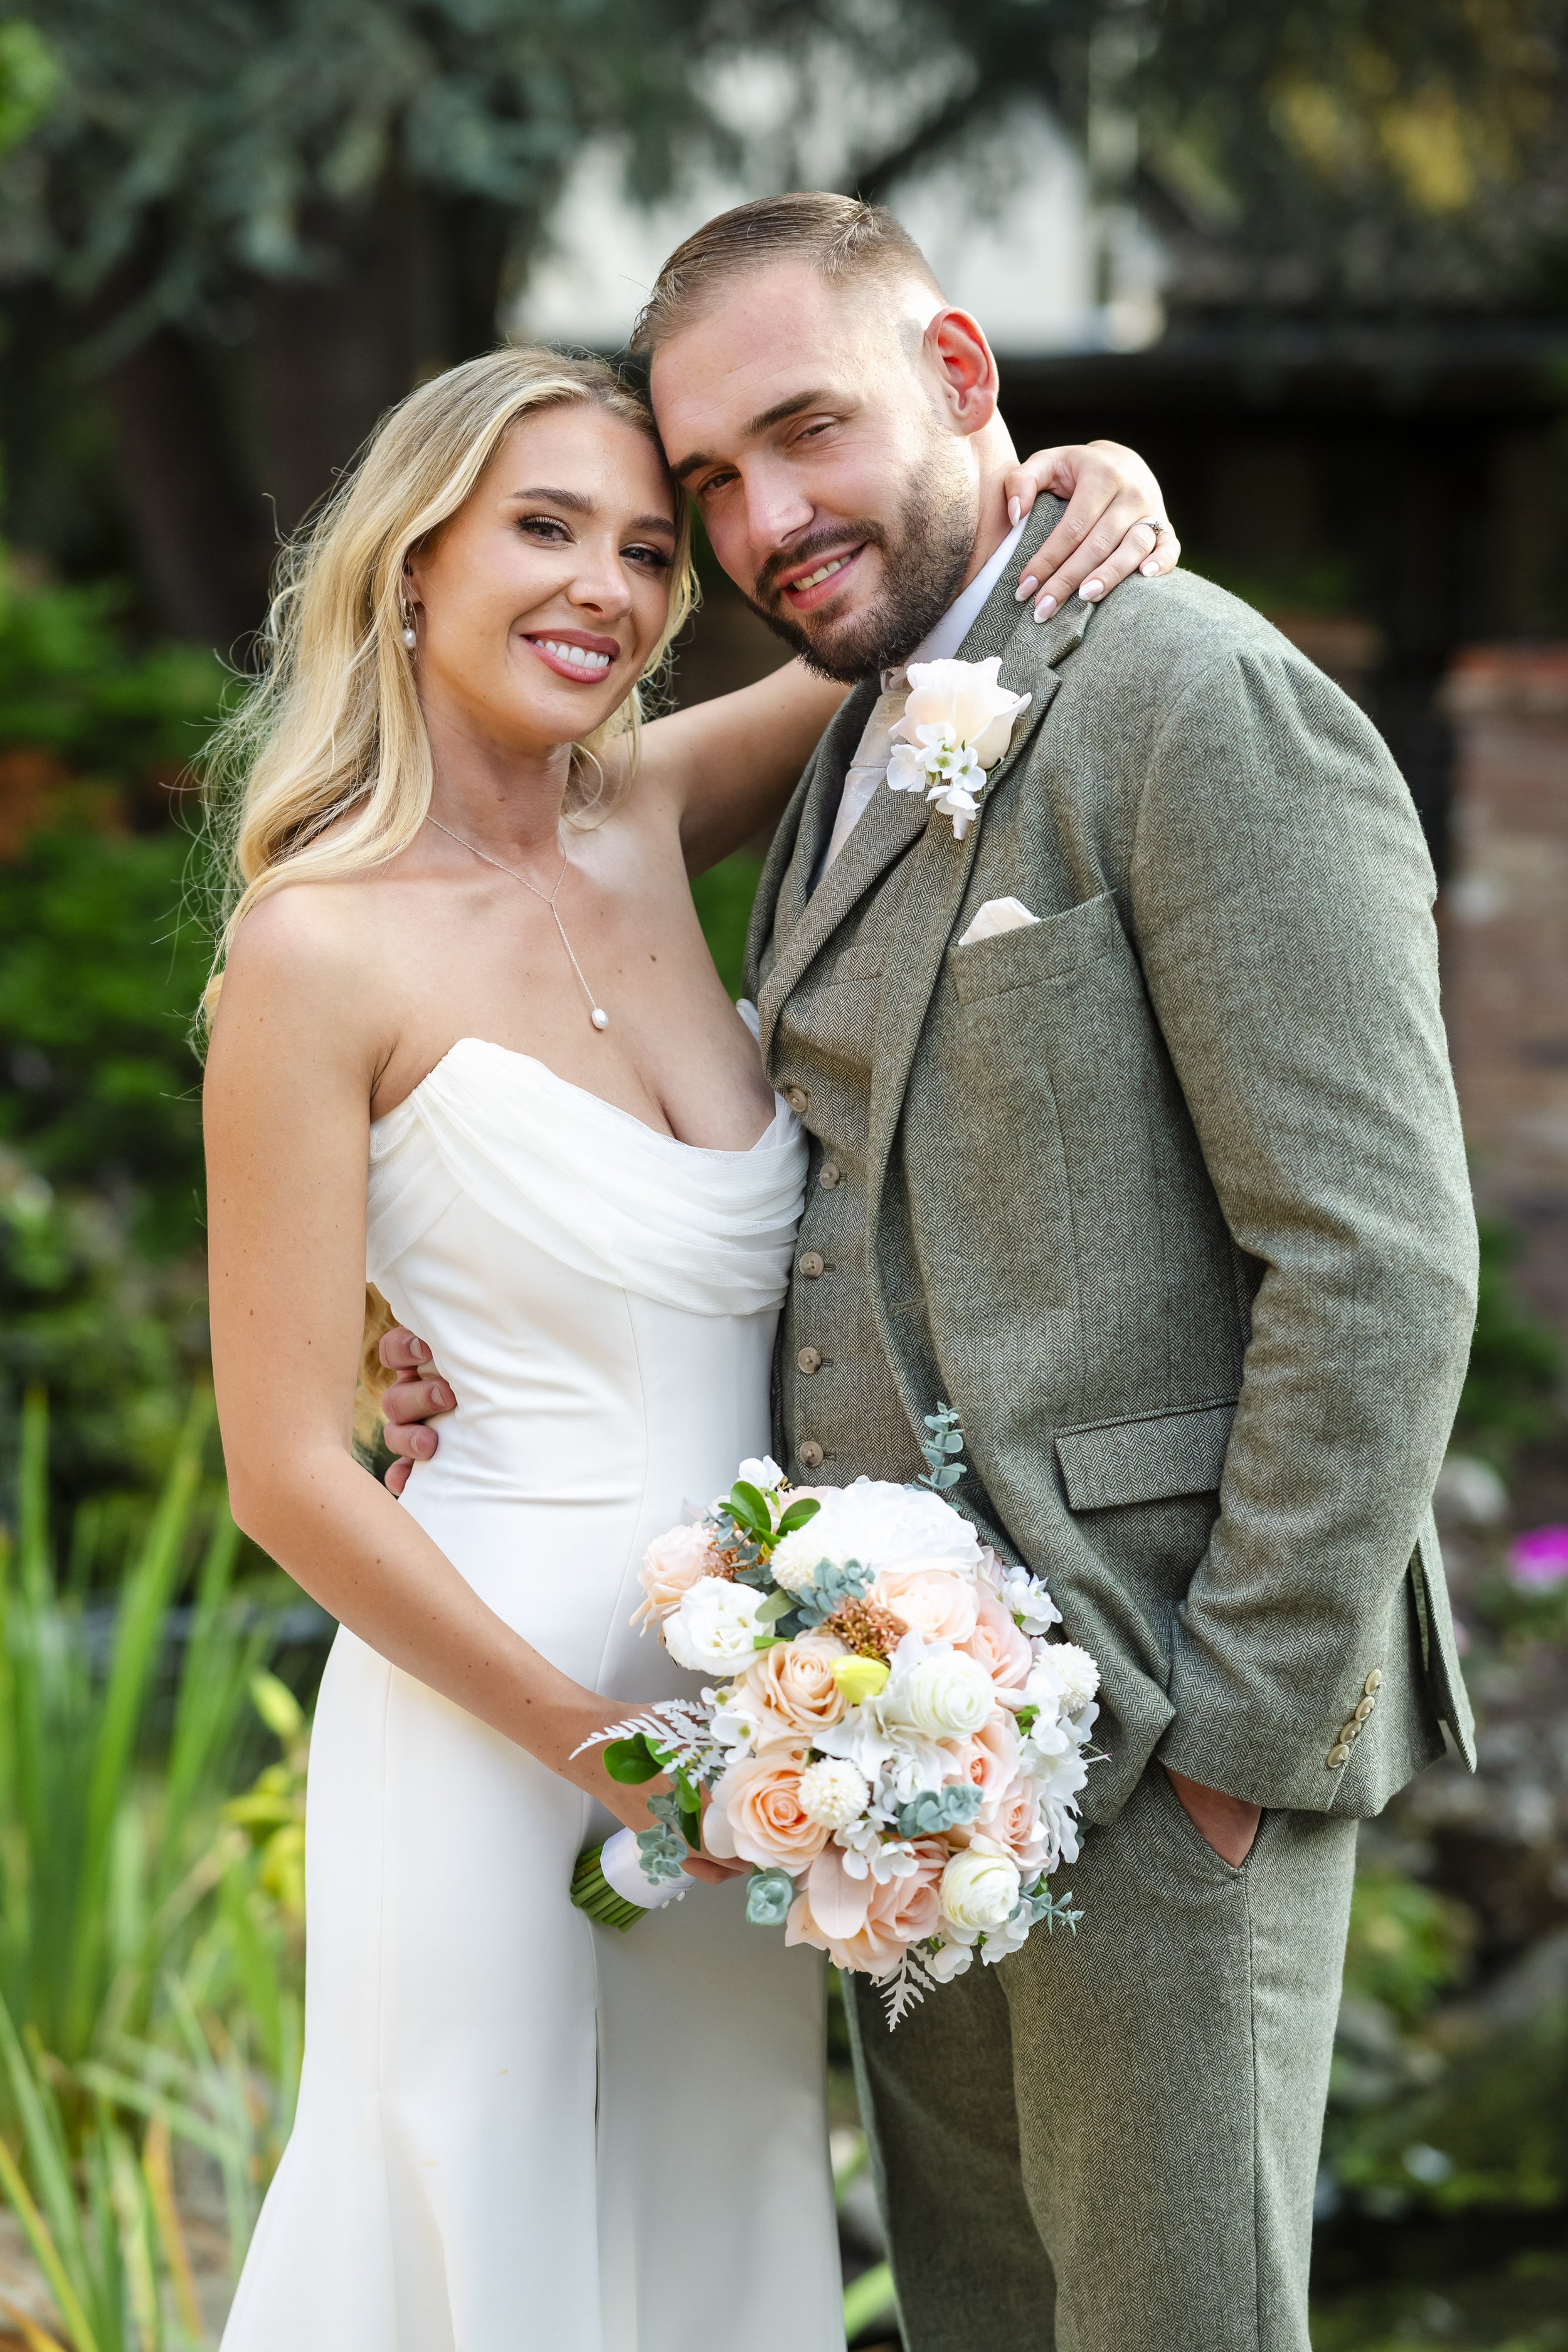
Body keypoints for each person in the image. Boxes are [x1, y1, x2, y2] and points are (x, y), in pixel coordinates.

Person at [386, 197, 1479, 2352]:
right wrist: (418, 1303)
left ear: (965, 373)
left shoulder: (1196, 698)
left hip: (1166, 1735)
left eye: (809, 429)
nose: (764, 516)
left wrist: (1226, 1745)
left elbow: (1374, 1259)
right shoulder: (851, 724)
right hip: (891, 1752)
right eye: (710, 481)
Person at [202, 335, 1175, 2351]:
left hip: (761, 1732)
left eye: (647, 549)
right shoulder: (314, 948)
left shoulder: (649, 809)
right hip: (495, 1723)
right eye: (542, 530)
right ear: (408, 562)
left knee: (712, 2213)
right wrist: (601, 1753)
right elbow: (287, 1470)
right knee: (483, 2214)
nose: (608, 589)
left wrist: (1068, 472)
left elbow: (923, 600)